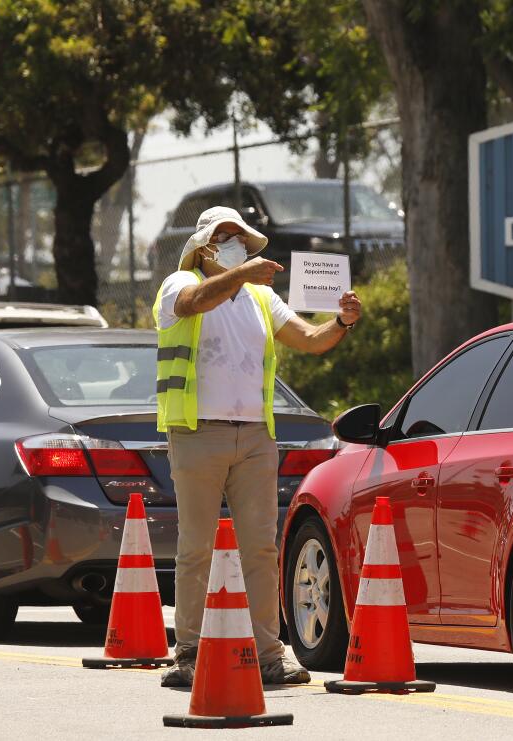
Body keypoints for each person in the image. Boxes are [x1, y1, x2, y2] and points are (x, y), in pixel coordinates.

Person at [154, 206, 362, 688]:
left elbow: (310, 338)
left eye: (242, 240)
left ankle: (269, 653)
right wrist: (244, 273)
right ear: (204, 245)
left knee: (261, 550)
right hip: (195, 431)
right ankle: (188, 652)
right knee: (196, 549)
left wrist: (342, 322)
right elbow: (192, 303)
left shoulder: (261, 298)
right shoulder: (176, 283)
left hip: (253, 436)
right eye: (227, 238)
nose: (237, 246)